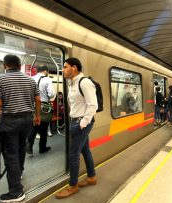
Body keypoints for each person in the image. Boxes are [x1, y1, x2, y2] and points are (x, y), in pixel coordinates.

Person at [0, 54, 40, 202]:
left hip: (10, 121)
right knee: (20, 149)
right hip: (27, 119)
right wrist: (37, 116)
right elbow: (38, 99)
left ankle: (16, 192)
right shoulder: (30, 80)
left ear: (5, 65)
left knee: (10, 154)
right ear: (19, 66)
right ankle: (18, 173)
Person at [55, 57, 98, 199]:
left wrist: (82, 124)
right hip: (76, 121)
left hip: (81, 122)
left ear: (74, 68)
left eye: (65, 67)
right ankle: (91, 177)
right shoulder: (72, 83)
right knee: (85, 150)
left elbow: (93, 106)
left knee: (73, 154)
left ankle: (72, 186)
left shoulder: (85, 83)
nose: (63, 70)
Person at [26, 65, 55, 154]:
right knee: (43, 128)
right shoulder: (47, 79)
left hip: (31, 105)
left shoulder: (30, 79)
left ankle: (29, 145)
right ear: (46, 71)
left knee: (34, 126)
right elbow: (51, 94)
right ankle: (42, 148)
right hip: (43, 106)